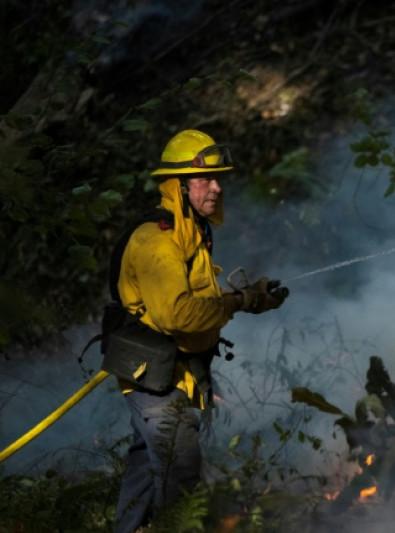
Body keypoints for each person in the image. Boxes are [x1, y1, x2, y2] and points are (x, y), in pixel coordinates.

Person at [112, 129, 288, 532]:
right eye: (206, 179)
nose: (217, 187)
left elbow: (197, 301)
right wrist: (240, 302)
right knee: (180, 468)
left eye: (218, 178)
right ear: (178, 185)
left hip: (174, 373)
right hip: (155, 380)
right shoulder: (159, 242)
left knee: (145, 464)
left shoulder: (192, 233)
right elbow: (179, 315)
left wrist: (247, 297)